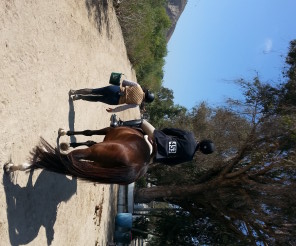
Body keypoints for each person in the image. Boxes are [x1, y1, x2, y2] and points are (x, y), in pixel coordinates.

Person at [110, 115, 215, 165]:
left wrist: (160, 133)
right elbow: (171, 162)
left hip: (158, 139)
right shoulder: (189, 157)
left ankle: (119, 124)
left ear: (202, 141)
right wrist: (158, 159)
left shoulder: (190, 136)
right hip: (158, 155)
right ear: (202, 152)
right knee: (140, 165)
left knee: (142, 122)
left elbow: (170, 130)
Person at [69, 79, 154, 112]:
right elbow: (124, 107)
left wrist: (126, 88)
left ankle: (75, 91)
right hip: (115, 100)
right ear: (145, 100)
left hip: (115, 89)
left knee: (94, 90)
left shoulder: (138, 86)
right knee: (97, 99)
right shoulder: (137, 104)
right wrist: (113, 110)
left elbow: (124, 82)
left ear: (146, 92)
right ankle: (79, 97)